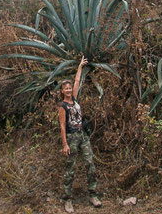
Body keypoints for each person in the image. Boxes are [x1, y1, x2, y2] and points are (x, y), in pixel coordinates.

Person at [58, 56, 102, 212]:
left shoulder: (75, 99)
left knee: (90, 164)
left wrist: (80, 66)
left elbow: (77, 81)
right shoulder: (63, 106)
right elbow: (62, 126)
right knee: (71, 168)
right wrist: (65, 144)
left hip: (82, 136)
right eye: (66, 89)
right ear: (62, 91)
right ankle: (68, 199)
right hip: (71, 138)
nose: (69, 90)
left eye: (70, 88)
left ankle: (93, 194)